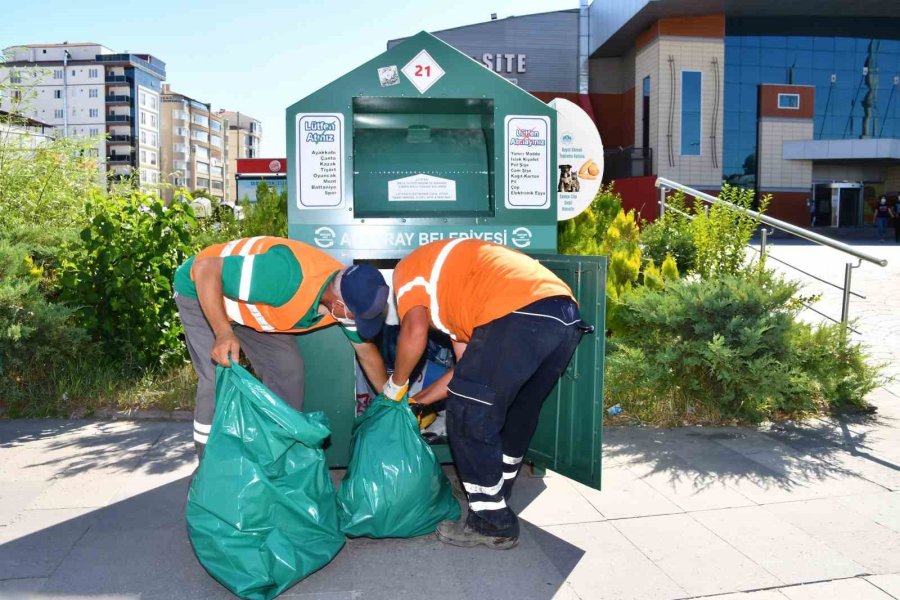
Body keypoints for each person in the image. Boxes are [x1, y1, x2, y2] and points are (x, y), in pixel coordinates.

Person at [383, 239, 592, 550]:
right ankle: (495, 490)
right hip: (562, 313)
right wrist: (418, 402)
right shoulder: (461, 302)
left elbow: (413, 330)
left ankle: (491, 521)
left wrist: (395, 389)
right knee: (517, 409)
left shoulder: (406, 269)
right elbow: (465, 372)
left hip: (517, 311)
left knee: (467, 412)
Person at [174, 236, 389, 457]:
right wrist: (222, 332)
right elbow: (206, 268)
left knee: (288, 370)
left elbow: (367, 354)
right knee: (216, 376)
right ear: (338, 303)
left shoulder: (346, 293)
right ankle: (209, 464)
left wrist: (392, 398)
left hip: (253, 310)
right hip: (202, 291)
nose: (357, 322)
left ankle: (276, 454)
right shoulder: (287, 276)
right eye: (357, 317)